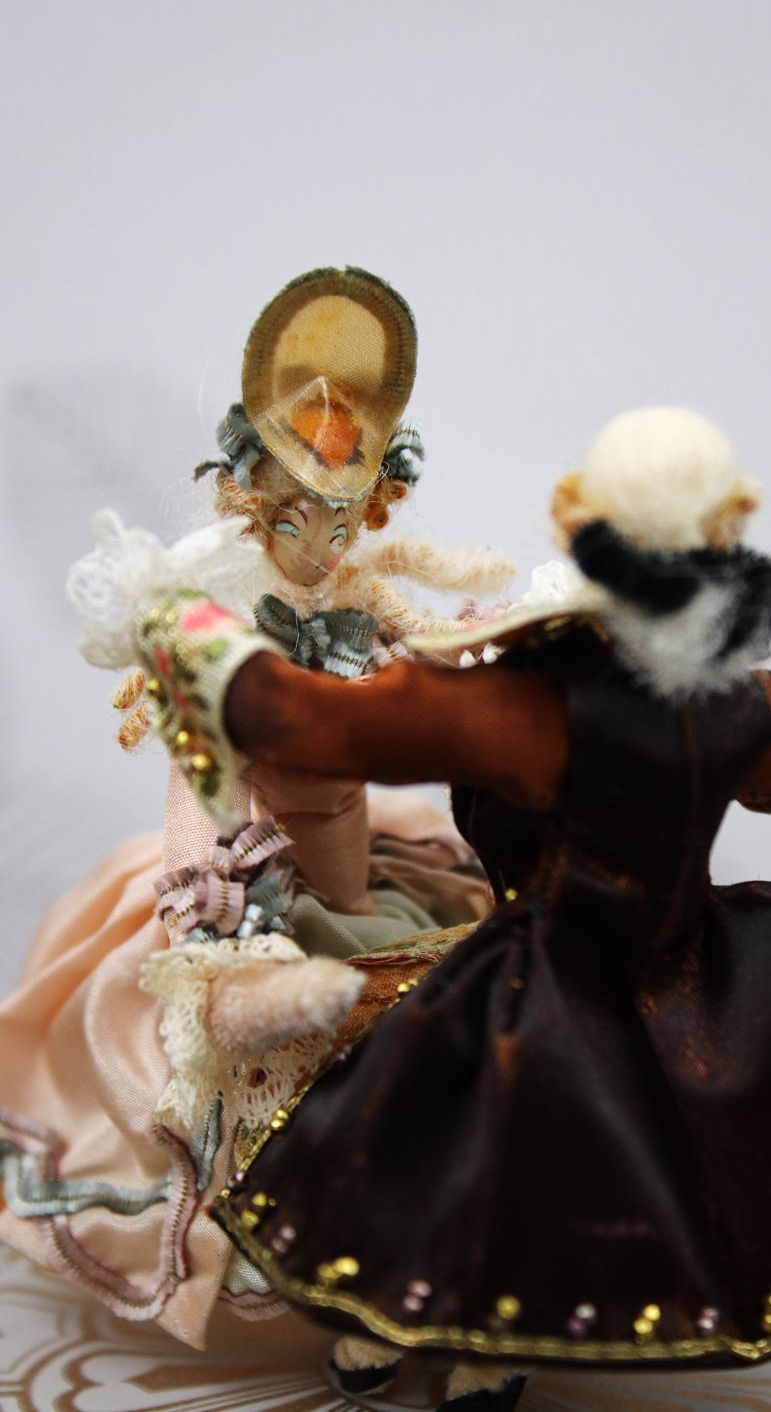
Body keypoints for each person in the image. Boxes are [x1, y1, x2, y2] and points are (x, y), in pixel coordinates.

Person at [136, 406, 771, 1411]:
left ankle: (455, 1347)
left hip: (551, 977)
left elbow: (312, 728)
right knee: (606, 1165)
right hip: (690, 967)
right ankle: (428, 1338)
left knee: (455, 1144)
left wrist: (176, 628)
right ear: (733, 522)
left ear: (572, 517)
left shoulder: (536, 709)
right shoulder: (754, 700)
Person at [0, 267, 511, 1350]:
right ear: (250, 501)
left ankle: (406, 1242)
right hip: (263, 854)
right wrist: (201, 876)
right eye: (299, 517)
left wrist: (489, 642)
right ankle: (305, 1248)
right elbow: (200, 766)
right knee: (259, 1034)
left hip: (355, 844)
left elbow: (428, 650)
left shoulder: (356, 594)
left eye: (344, 518)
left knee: (415, 969)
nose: (324, 541)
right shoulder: (227, 619)